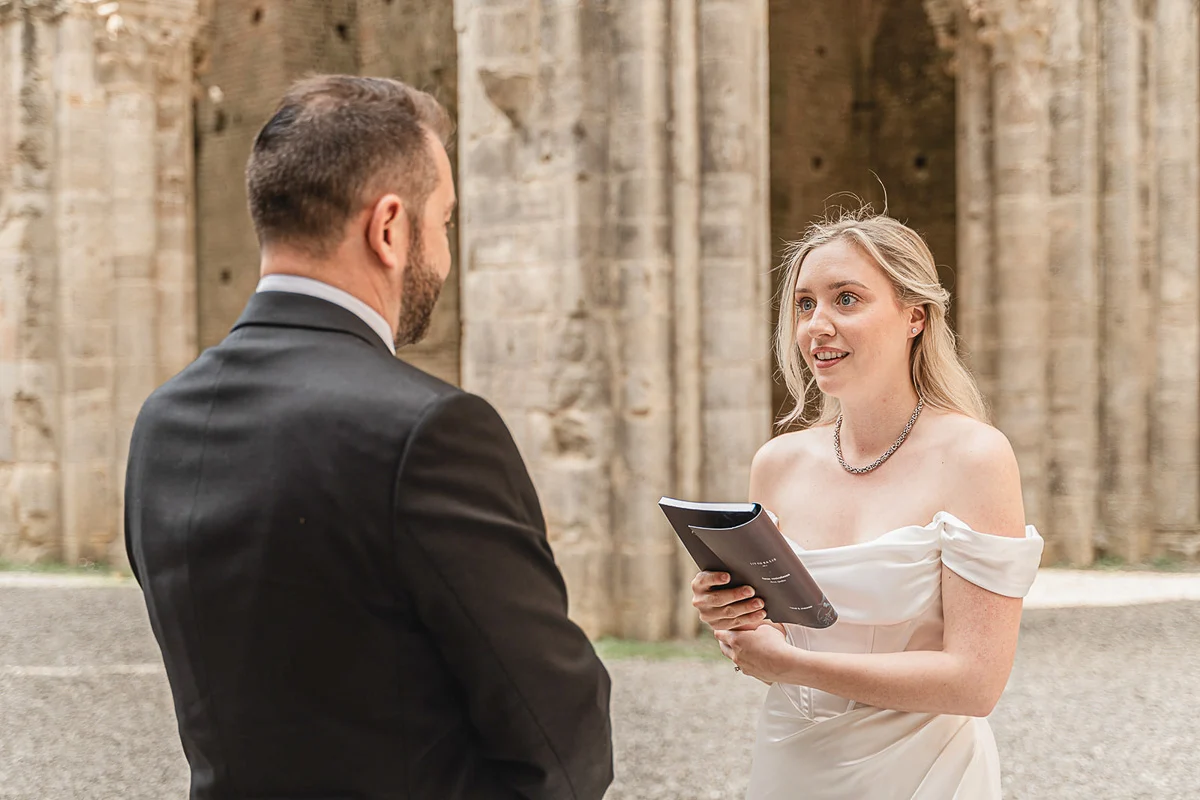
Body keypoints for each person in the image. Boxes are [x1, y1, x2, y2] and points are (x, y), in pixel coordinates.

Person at [124, 75, 613, 800]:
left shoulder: (162, 419)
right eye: (443, 222)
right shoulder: (430, 430)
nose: (444, 255)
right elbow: (558, 731)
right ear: (389, 227)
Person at [691, 209, 1043, 799]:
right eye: (804, 305)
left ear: (914, 317)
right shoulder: (777, 464)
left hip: (925, 772)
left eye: (845, 299)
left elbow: (976, 683)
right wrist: (730, 615)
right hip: (792, 763)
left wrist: (793, 666)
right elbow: (774, 637)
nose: (816, 325)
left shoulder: (975, 458)